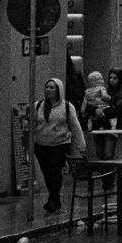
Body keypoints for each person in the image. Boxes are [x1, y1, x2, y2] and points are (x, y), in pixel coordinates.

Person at [33, 76, 86, 214]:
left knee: (54, 171)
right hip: (41, 145)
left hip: (60, 144)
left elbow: (75, 127)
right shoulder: (38, 105)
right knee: (47, 174)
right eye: (47, 87)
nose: (48, 90)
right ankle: (55, 200)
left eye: (52, 87)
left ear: (59, 90)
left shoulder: (67, 107)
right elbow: (32, 124)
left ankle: (52, 199)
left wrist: (81, 146)